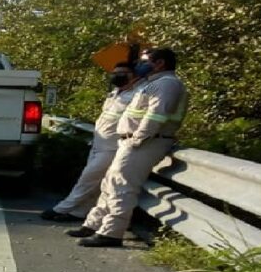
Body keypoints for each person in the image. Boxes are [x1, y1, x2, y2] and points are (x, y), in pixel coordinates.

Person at [68, 48, 189, 247]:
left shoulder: (168, 84)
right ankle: (94, 224)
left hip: (146, 142)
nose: (139, 65)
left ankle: (112, 233)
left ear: (160, 63)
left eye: (145, 61)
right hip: (133, 141)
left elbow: (156, 116)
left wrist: (136, 140)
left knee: (122, 187)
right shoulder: (152, 83)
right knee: (109, 184)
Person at [40, 62, 144, 222]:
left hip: (113, 146)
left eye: (123, 73)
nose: (118, 76)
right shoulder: (115, 93)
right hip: (98, 143)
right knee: (95, 182)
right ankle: (80, 212)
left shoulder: (137, 95)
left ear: (134, 75)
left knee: (87, 179)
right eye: (115, 73)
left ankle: (62, 208)